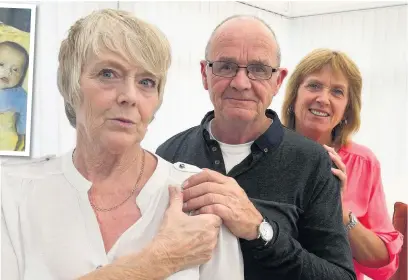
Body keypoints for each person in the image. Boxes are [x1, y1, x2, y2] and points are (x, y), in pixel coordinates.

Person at [1, 9, 244, 280]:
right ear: (71, 85)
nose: (129, 96)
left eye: (146, 82)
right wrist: (156, 262)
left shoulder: (199, 198)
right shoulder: (13, 195)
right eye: (108, 74)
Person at [156, 15, 356, 280]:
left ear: (278, 81)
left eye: (259, 69)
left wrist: (261, 230)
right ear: (205, 74)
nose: (241, 82)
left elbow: (340, 276)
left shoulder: (312, 163)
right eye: (226, 66)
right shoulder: (169, 155)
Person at [280, 48, 404, 280]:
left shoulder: (363, 162)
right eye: (314, 85)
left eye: (337, 92)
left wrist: (338, 209)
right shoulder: (264, 149)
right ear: (294, 94)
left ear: (347, 108)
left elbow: (383, 267)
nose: (323, 99)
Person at [0, 40, 28, 151]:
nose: (8, 72)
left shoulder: (20, 97)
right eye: (1, 64)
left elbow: (24, 120)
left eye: (15, 69)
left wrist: (22, 136)